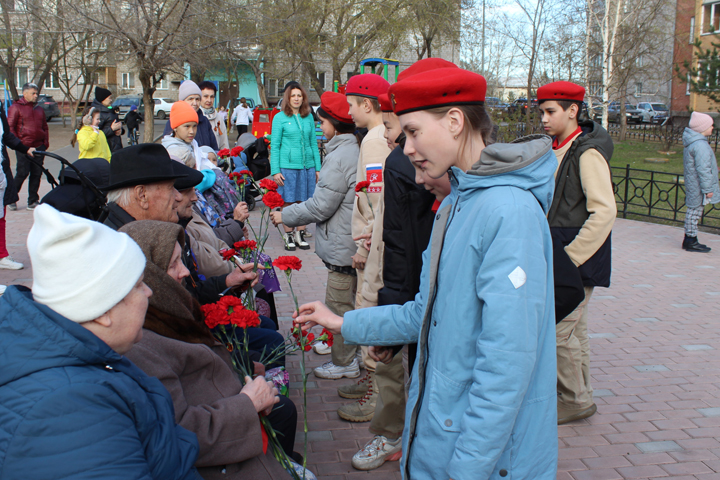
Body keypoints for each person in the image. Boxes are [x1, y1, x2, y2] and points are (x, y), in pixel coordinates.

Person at [295, 66, 558, 480]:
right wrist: (344, 322)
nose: (406, 147)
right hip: (442, 437)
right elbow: (425, 311)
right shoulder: (457, 203)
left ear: (454, 121)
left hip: (480, 458)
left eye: (413, 131)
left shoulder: (509, 212)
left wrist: (466, 469)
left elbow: (506, 366)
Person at [0, 204, 200, 479]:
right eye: (139, 284)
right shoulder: (71, 407)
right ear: (104, 309)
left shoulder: (85, 365)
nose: (149, 292)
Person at [120, 220, 307, 480]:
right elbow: (179, 433)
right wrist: (248, 403)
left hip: (223, 404)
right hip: (218, 442)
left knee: (280, 405)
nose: (184, 271)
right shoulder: (139, 339)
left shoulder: (166, 305)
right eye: (173, 264)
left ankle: (281, 458)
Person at [346, 90, 438, 471]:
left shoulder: (401, 163)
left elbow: (404, 245)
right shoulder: (401, 160)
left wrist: (390, 318)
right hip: (392, 279)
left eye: (392, 125)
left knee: (394, 367)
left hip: (397, 284)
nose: (390, 135)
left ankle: (393, 433)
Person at [537, 81, 616, 425]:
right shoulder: (557, 147)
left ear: (573, 111)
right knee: (575, 330)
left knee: (558, 330)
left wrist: (570, 257)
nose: (543, 118)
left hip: (576, 255)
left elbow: (604, 211)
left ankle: (572, 399)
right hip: (564, 251)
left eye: (550, 111)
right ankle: (579, 393)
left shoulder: (587, 152)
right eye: (541, 111)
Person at [314, 74, 391, 419]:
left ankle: (377, 396)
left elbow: (375, 199)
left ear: (367, 104)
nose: (347, 112)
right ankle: (369, 381)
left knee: (367, 306)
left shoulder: (375, 141)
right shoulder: (371, 138)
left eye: (351, 104)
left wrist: (364, 246)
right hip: (368, 240)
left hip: (370, 244)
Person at [270, 91, 360, 371]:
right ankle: (339, 345)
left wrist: (283, 214)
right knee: (344, 300)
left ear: (334, 122)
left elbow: (321, 207)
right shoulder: (351, 149)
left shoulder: (340, 156)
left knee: (339, 303)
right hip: (347, 242)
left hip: (342, 246)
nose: (320, 127)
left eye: (323, 122)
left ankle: (344, 362)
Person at [270, 82, 321, 251]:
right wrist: (275, 170)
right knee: (289, 201)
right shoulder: (279, 118)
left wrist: (318, 168)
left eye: (299, 95)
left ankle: (300, 233)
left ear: (303, 98)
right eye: (293, 96)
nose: (297, 98)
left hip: (308, 167)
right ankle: (289, 235)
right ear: (288, 98)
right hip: (287, 167)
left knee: (305, 201)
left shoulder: (308, 117)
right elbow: (275, 145)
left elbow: (313, 143)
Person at [0, 102, 33, 279]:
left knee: (0, 215)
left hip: (0, 169)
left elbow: (6, 136)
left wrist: (25, 149)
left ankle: (1, 255)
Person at [681, 111, 720, 252]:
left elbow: (702, 165)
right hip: (698, 186)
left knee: (693, 211)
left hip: (693, 184)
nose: (712, 128)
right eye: (710, 125)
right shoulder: (700, 145)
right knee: (694, 212)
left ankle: (690, 239)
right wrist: (708, 189)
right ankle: (691, 241)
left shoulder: (694, 143)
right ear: (702, 128)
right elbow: (702, 170)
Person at [8, 82, 49, 210]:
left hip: (38, 147)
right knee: (22, 173)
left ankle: (32, 200)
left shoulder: (39, 109)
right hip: (24, 147)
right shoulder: (16, 107)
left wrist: (44, 143)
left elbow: (45, 127)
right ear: (25, 93)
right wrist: (18, 144)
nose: (36, 96)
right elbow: (10, 127)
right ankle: (11, 199)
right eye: (33, 93)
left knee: (36, 173)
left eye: (36, 93)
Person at [163, 80, 219, 150]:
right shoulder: (173, 122)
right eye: (190, 99)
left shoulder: (204, 121)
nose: (195, 103)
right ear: (183, 101)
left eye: (197, 99)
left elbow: (214, 148)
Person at [162, 101, 213, 170]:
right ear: (175, 128)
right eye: (187, 126)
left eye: (194, 126)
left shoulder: (192, 144)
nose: (192, 131)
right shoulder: (176, 153)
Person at [92, 86, 124, 153]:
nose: (111, 100)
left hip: (115, 148)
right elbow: (95, 134)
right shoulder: (97, 113)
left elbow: (114, 125)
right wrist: (111, 129)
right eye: (109, 98)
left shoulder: (109, 110)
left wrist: (121, 130)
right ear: (102, 99)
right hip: (106, 150)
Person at [199, 81, 229, 150]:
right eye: (205, 96)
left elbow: (224, 144)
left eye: (212, 97)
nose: (209, 100)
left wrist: (225, 159)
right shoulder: (195, 117)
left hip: (216, 158)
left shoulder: (219, 117)